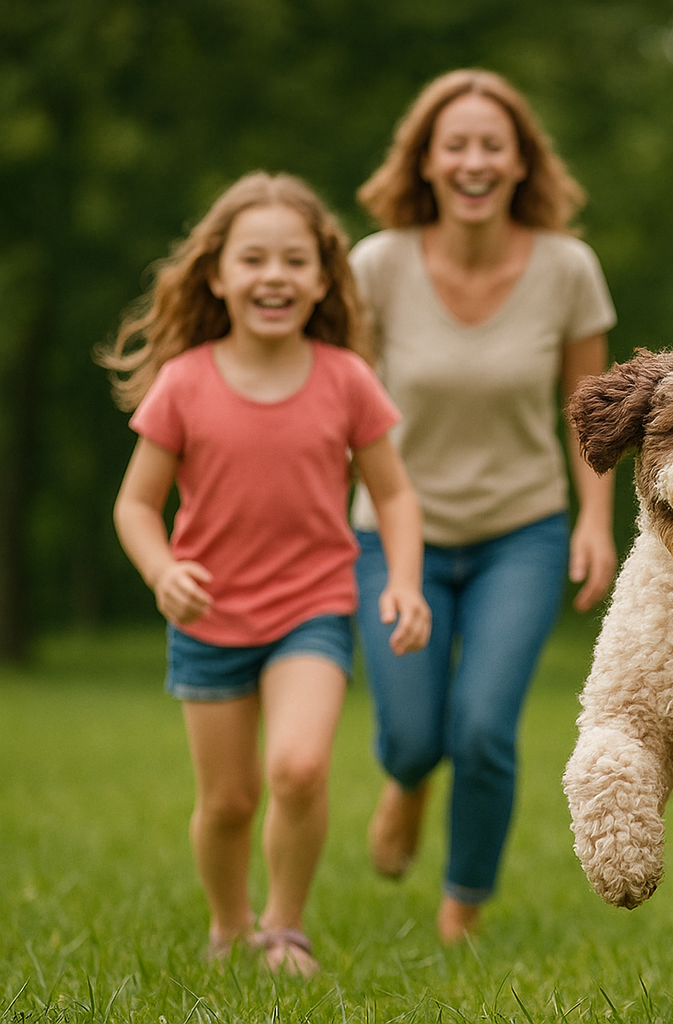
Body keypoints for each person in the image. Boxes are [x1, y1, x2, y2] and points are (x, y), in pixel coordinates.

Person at [103, 171, 432, 976]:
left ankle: (283, 929)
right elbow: (135, 506)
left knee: (299, 767)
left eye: (294, 260)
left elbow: (394, 495)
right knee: (228, 801)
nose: (273, 276)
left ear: (323, 279)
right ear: (217, 275)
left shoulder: (345, 378)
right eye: (253, 259)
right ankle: (228, 929)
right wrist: (161, 571)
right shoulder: (184, 382)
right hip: (207, 616)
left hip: (310, 610)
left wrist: (402, 580)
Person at [349, 68, 619, 943]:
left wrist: (593, 522)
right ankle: (406, 779)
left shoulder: (567, 268)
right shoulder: (376, 266)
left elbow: (589, 412)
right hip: (395, 538)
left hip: (521, 533)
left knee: (483, 729)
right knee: (413, 735)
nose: (474, 162)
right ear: (425, 162)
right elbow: (341, 407)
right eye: (455, 145)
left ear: (520, 162)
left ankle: (460, 910)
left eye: (492, 146)